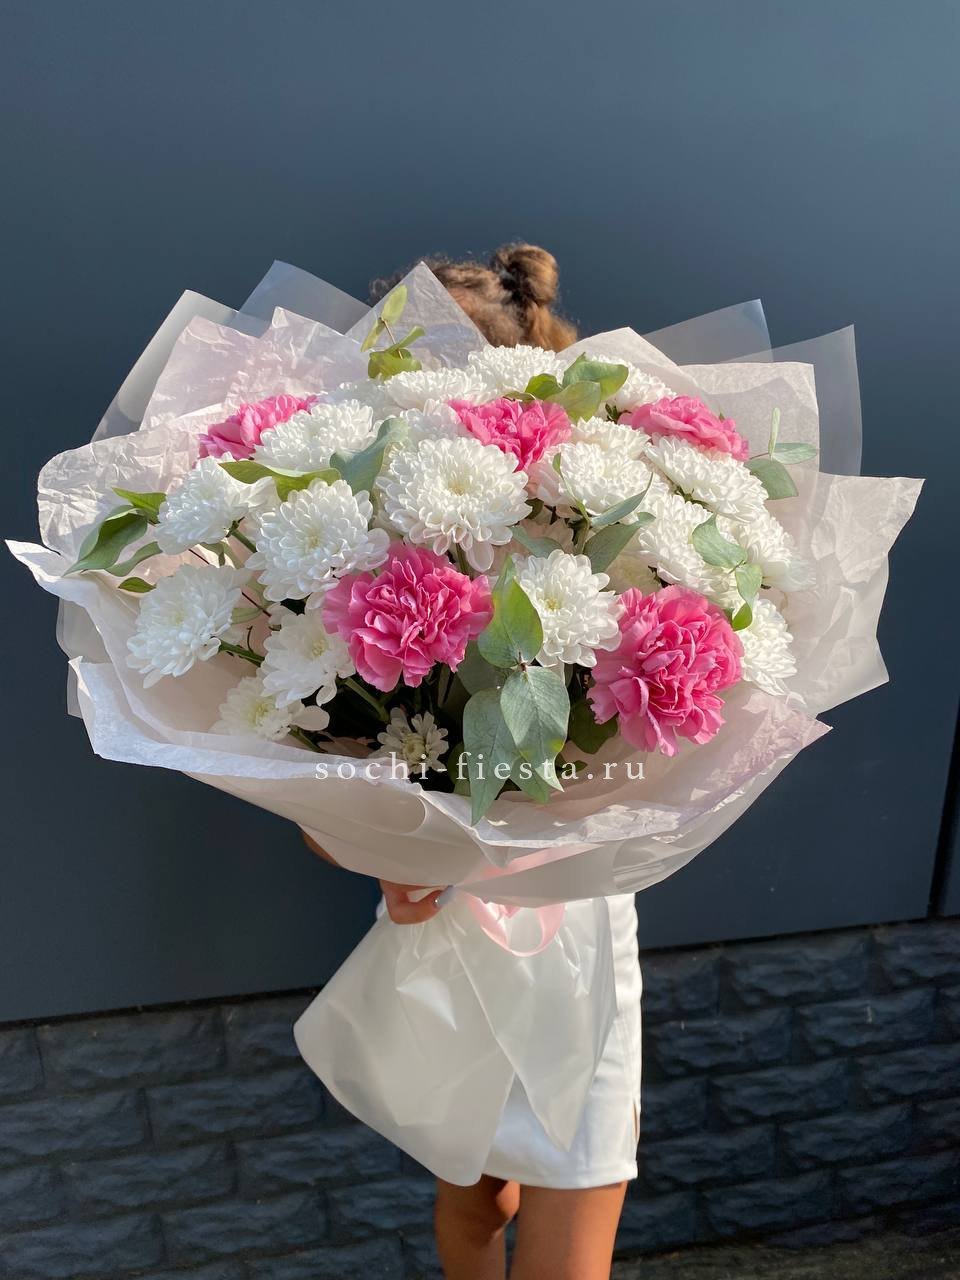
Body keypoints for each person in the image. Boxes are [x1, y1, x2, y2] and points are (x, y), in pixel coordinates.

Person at [303, 243, 641, 1280]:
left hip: (563, 941)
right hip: (460, 931)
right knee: (477, 1188)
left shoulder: (599, 535)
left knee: (547, 1195)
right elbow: (314, 781)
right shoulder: (367, 558)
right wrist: (384, 857)